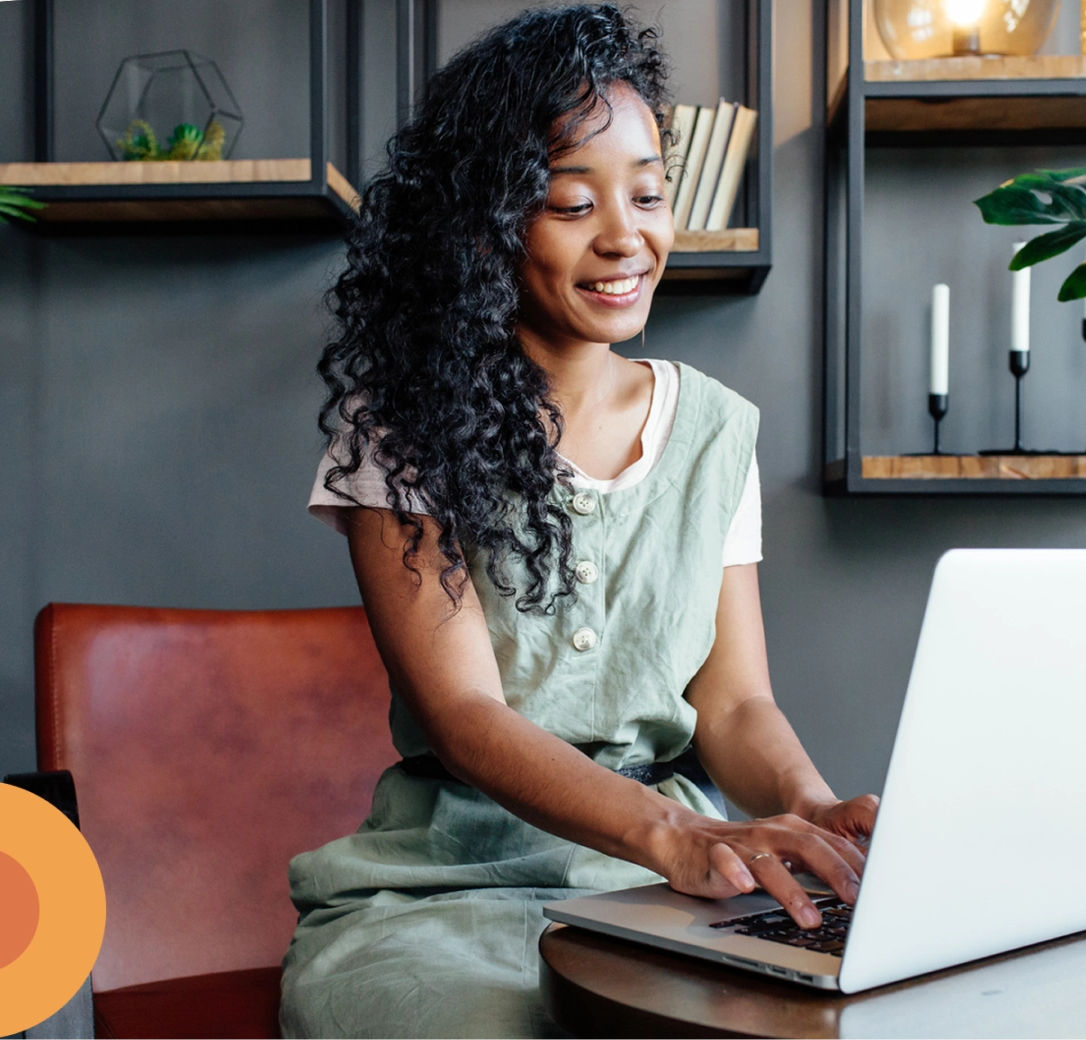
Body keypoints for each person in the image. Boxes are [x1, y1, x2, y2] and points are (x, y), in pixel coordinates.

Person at [283, 6, 878, 1037]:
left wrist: (811, 807)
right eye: (571, 201)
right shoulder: (403, 429)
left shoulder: (714, 431)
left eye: (649, 193)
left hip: (679, 887)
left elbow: (733, 706)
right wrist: (671, 829)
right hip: (448, 887)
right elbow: (468, 719)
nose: (626, 235)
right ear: (487, 224)